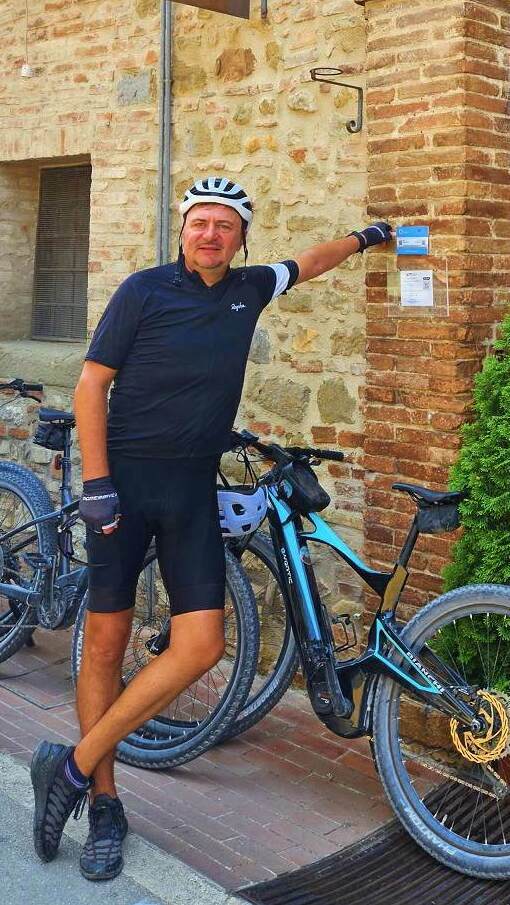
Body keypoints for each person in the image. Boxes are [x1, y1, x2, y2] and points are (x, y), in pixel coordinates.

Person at [30, 176, 392, 881]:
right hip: (124, 487)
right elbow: (91, 383)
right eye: (201, 221)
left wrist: (366, 238)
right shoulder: (143, 291)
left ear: (241, 237)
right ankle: (104, 802)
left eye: (226, 225)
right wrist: (97, 484)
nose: (211, 234)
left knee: (201, 645)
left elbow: (310, 262)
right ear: (183, 228)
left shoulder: (251, 288)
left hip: (193, 488)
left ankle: (70, 764)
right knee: (105, 642)